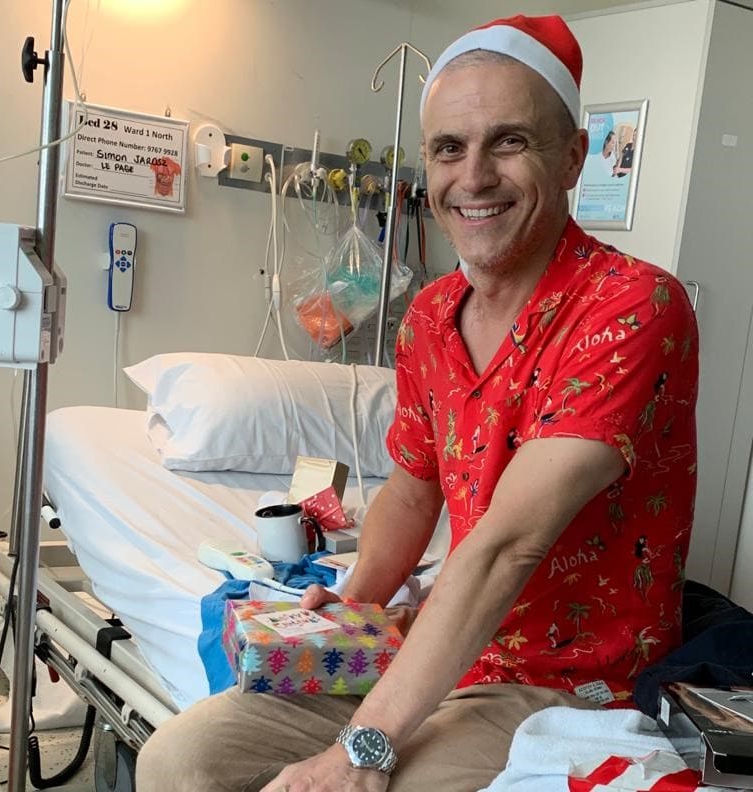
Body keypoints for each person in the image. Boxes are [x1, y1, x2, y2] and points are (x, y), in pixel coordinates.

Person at [136, 14, 698, 792]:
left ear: (572, 157)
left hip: (560, 682)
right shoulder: (431, 318)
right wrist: (352, 610)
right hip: (423, 645)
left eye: (509, 141)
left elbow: (507, 545)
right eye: (448, 148)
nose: (474, 177)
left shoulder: (632, 306)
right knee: (180, 761)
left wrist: (358, 751)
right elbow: (412, 488)